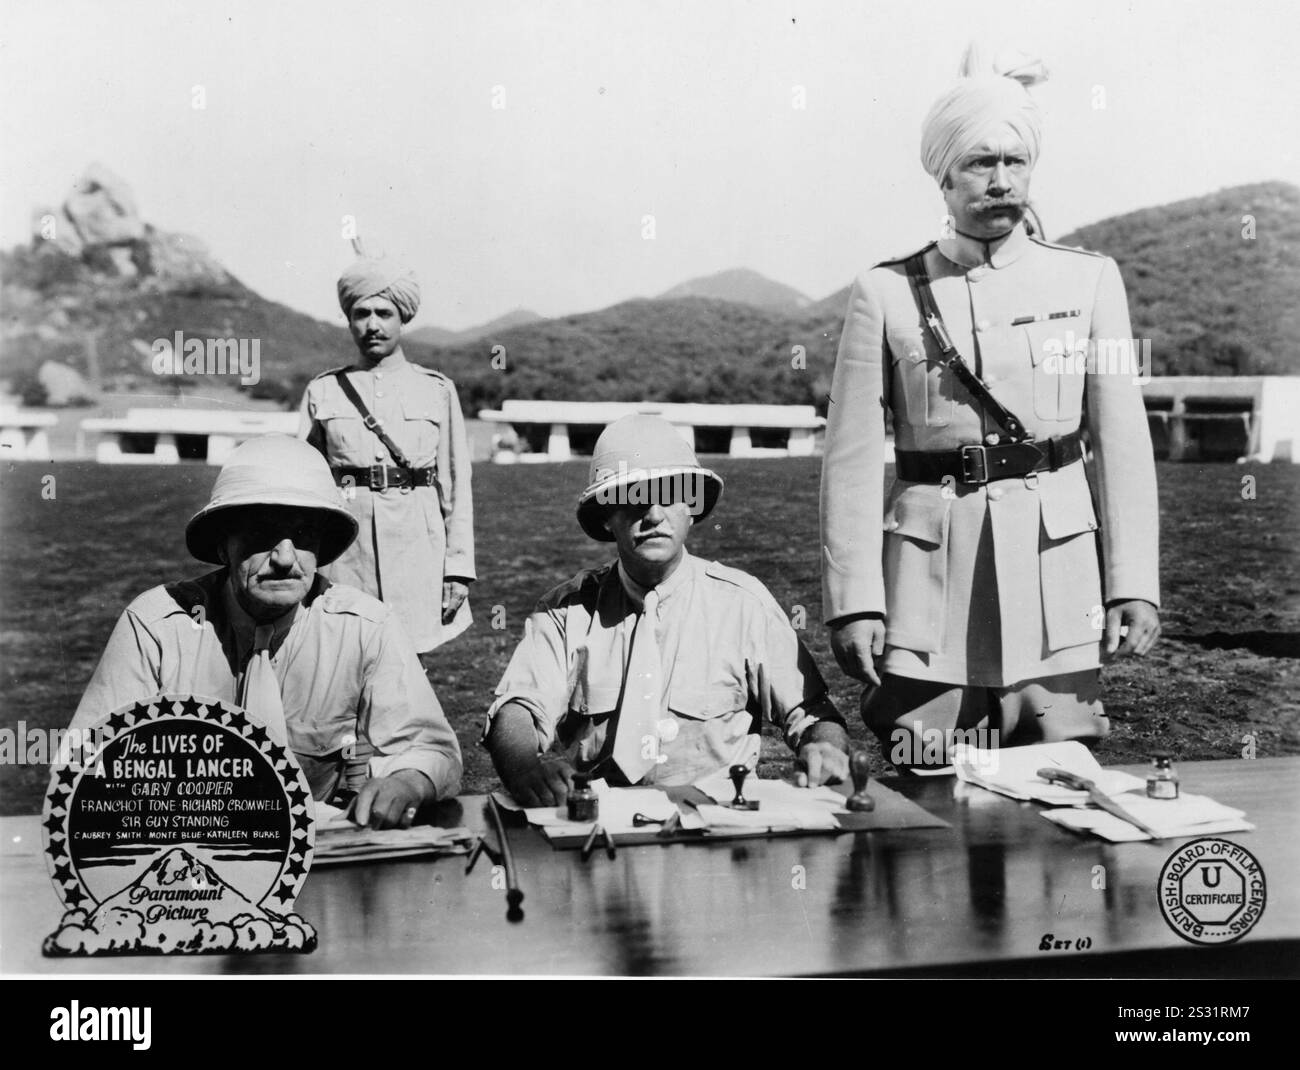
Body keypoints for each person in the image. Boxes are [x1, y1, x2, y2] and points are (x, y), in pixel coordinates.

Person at [819, 43, 1160, 772]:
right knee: (927, 773)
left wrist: (1134, 583)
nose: (1002, 182)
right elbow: (848, 461)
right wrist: (854, 602)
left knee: (1062, 782)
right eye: (980, 163)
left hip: (1055, 573)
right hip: (930, 585)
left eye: (1016, 162)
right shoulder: (886, 292)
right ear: (943, 176)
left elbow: (1122, 442)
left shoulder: (1091, 283)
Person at [69, 435, 463, 827]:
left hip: (316, 854)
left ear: (322, 548)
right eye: (262, 535)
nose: (285, 558)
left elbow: (432, 748)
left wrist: (409, 781)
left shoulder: (365, 627)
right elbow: (85, 763)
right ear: (223, 546)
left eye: (304, 536)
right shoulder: (157, 627)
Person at [485, 414, 851, 806]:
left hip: (720, 822)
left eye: (670, 494)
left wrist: (824, 747)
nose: (654, 515)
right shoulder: (566, 611)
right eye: (632, 498)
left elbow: (812, 711)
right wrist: (524, 767)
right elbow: (518, 708)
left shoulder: (743, 604)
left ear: (691, 507)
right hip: (599, 822)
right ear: (606, 517)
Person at [298, 258, 476, 654]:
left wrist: (459, 568)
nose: (372, 325)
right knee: (344, 655)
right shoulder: (323, 391)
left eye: (384, 313)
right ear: (349, 321)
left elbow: (456, 484)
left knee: (410, 664)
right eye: (361, 314)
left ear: (402, 320)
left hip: (418, 549)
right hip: (346, 553)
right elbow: (302, 484)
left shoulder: (436, 390)